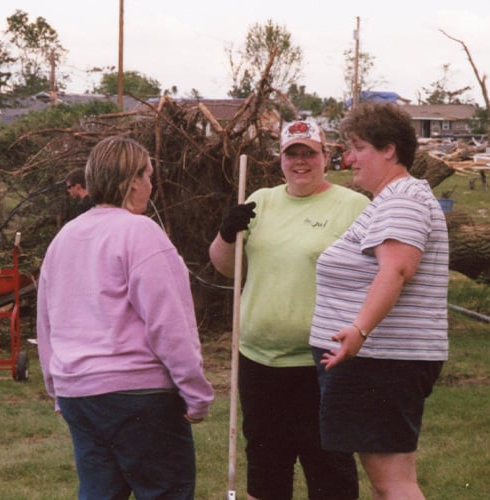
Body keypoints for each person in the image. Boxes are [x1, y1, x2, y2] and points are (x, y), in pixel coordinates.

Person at [37, 136, 214, 500]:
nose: (151, 184)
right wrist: (195, 393)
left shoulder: (63, 238)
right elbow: (169, 323)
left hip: (79, 395)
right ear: (133, 179)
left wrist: (57, 389)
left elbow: (47, 324)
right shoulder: (140, 232)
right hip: (137, 396)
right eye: (148, 175)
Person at [209, 118, 369, 500]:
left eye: (309, 153)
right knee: (266, 467)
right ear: (280, 159)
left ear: (325, 157)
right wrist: (227, 233)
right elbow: (225, 266)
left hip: (321, 362)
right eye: (291, 153)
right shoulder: (260, 200)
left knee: (327, 464)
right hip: (258, 360)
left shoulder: (353, 206)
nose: (300, 162)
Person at [309, 102, 449, 500]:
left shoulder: (402, 200)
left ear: (389, 149)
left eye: (357, 147)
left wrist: (358, 330)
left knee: (393, 484)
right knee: (389, 483)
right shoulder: (395, 198)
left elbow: (397, 270)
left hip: (382, 362)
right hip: (380, 361)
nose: (348, 158)